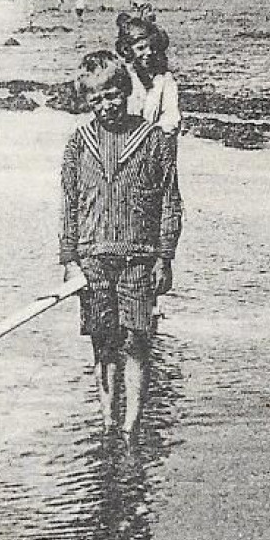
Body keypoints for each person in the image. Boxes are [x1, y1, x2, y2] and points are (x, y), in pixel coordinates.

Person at [60, 51, 182, 436]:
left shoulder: (153, 141)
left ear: (126, 91)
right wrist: (69, 259)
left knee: (138, 341)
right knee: (103, 343)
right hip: (93, 258)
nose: (107, 105)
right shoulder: (78, 144)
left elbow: (170, 201)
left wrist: (165, 256)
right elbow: (69, 203)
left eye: (113, 95)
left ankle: (132, 425)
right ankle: (108, 422)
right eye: (96, 100)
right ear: (86, 103)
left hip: (139, 260)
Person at [115, 13, 181, 134]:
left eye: (152, 47)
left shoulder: (164, 80)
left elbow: (171, 118)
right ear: (127, 50)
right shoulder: (121, 77)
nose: (149, 52)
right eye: (141, 48)